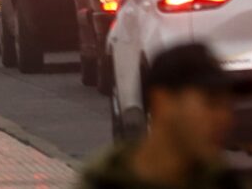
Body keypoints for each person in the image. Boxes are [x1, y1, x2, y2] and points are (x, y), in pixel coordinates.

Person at [77, 43, 238, 189]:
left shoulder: (226, 182)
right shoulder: (104, 180)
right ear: (163, 102)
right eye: (211, 104)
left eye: (227, 106)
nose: (224, 118)